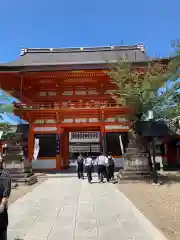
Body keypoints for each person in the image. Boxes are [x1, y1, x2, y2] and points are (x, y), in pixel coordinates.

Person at [0, 167, 12, 240]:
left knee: (1, 231)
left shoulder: (5, 175)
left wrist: (3, 203)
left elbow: (6, 192)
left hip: (0, 207)